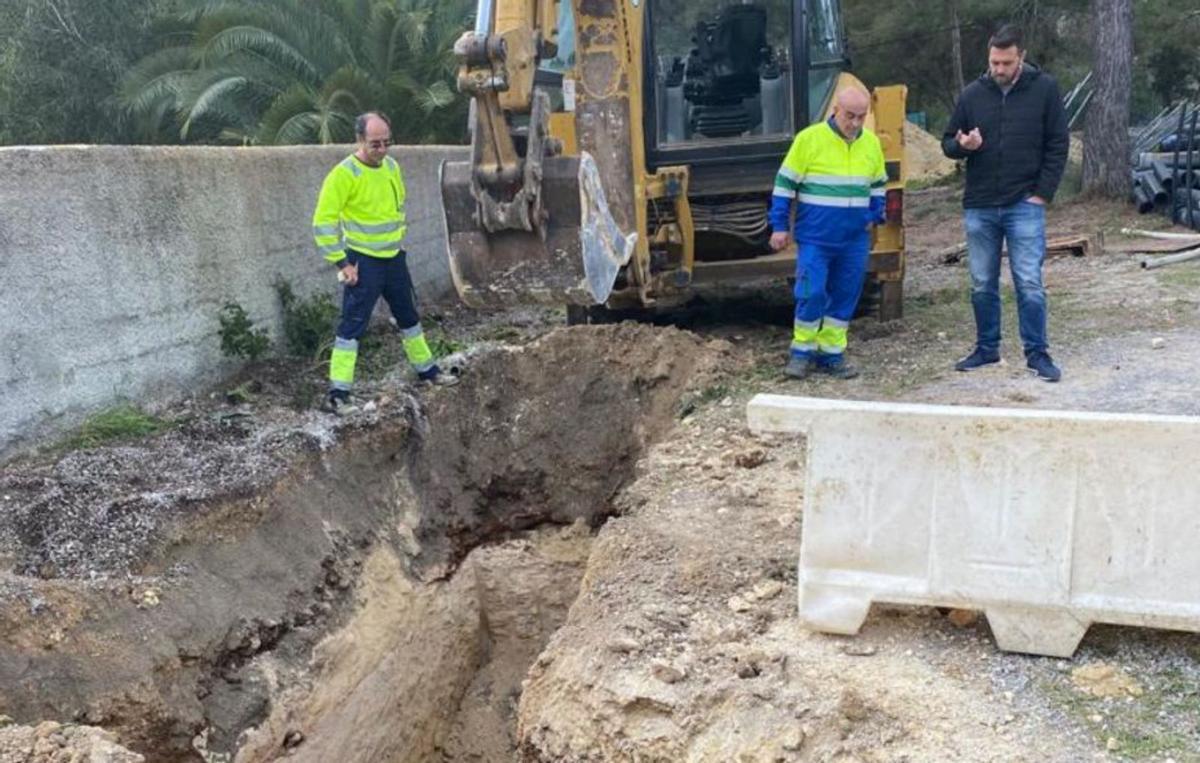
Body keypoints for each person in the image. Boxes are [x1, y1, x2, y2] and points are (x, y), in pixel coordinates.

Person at [942, 24, 1069, 382]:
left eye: (1006, 62)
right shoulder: (972, 95)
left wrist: (1042, 193)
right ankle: (986, 348)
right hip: (980, 203)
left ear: (1021, 58)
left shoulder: (1045, 90)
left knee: (1028, 282)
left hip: (1024, 203)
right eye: (994, 62)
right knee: (982, 282)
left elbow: (1058, 144)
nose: (998, 69)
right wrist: (961, 145)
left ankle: (1037, 353)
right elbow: (948, 141)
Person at [312, 111, 458, 413]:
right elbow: (323, 222)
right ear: (359, 140)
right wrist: (343, 264)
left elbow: (395, 208)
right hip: (362, 262)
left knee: (409, 317)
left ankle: (427, 371)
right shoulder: (344, 175)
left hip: (393, 259)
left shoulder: (391, 166)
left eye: (386, 143)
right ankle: (338, 394)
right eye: (374, 144)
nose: (381, 150)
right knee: (352, 325)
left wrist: (398, 247)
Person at [769, 87, 888, 380]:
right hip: (817, 238)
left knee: (846, 294)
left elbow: (878, 185)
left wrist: (874, 216)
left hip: (854, 240)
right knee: (812, 291)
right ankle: (801, 352)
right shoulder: (809, 140)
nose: (856, 123)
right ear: (836, 109)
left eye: (862, 117)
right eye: (850, 116)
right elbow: (784, 186)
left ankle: (831, 354)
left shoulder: (871, 144)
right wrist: (780, 226)